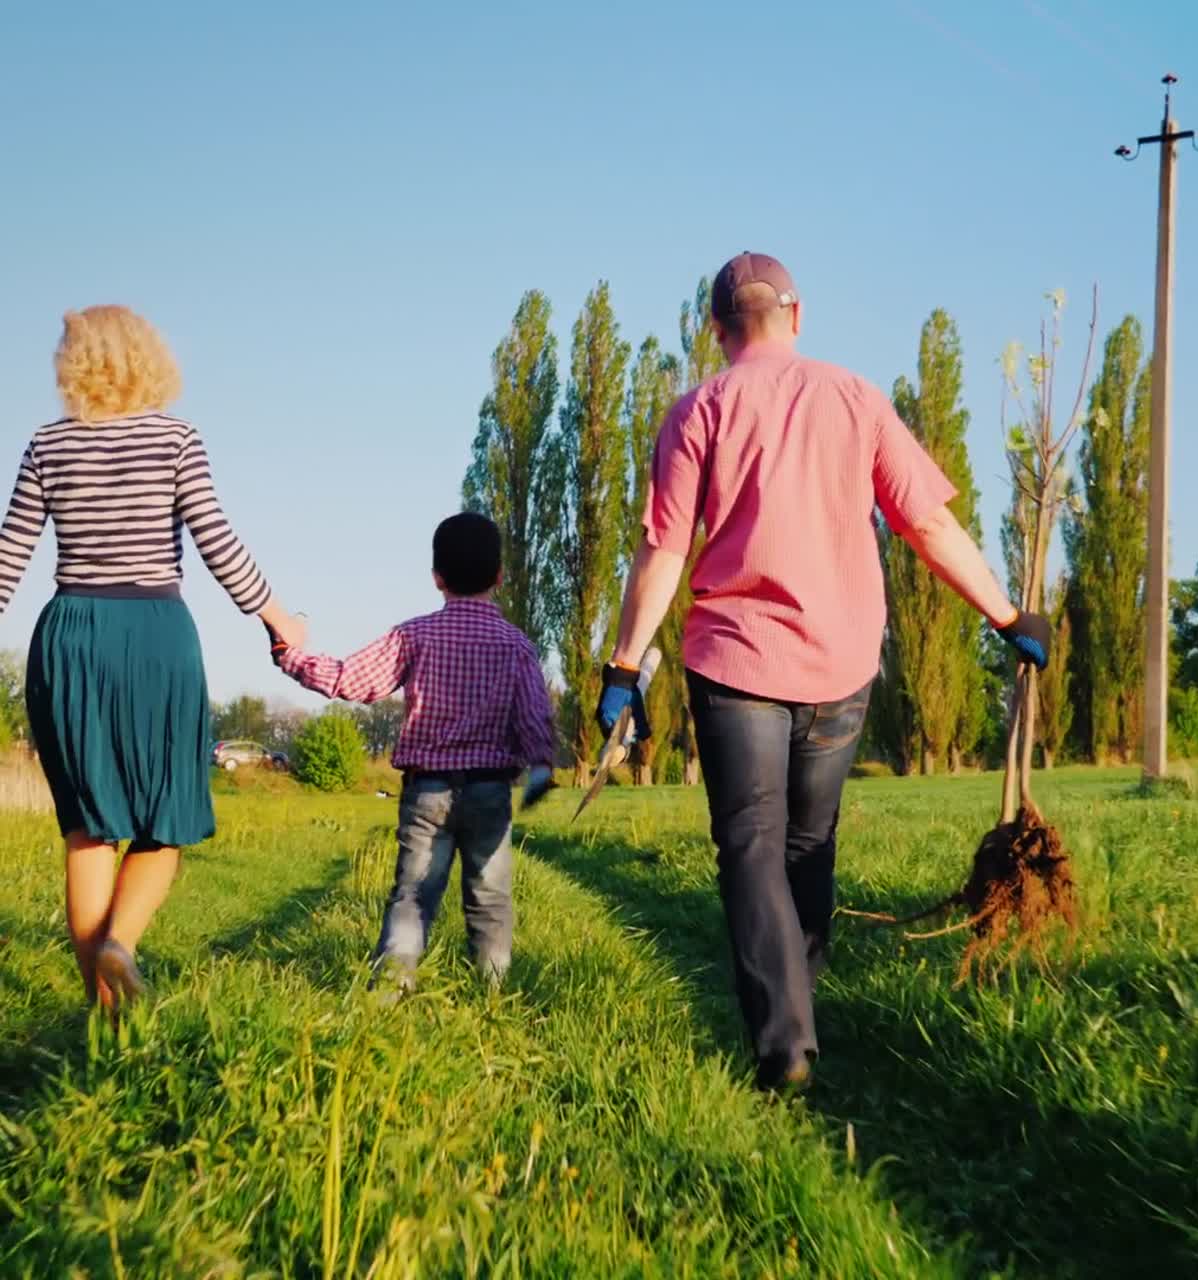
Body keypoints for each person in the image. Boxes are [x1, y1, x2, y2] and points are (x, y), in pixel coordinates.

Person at [598, 252, 1051, 1091]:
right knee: (807, 843)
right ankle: (798, 1002)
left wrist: (624, 667)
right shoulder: (854, 398)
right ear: (797, 316)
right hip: (840, 663)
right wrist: (1007, 615)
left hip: (736, 662)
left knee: (751, 845)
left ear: (716, 329)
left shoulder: (698, 410)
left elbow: (663, 550)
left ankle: (785, 1041)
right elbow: (928, 526)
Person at [0, 305, 306, 1009]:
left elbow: (9, 555)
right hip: (155, 635)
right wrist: (278, 618)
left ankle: (102, 1021)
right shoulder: (175, 438)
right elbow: (218, 542)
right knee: (165, 820)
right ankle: (121, 944)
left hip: (71, 637)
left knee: (87, 831)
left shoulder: (47, 444)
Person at [269, 511, 557, 990]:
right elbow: (534, 716)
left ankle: (390, 989)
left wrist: (290, 657)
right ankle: (492, 993)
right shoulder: (516, 646)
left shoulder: (413, 635)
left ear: (437, 577)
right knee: (490, 899)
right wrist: (542, 765)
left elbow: (350, 680)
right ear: (500, 576)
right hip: (490, 793)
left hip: (427, 791)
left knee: (413, 897)